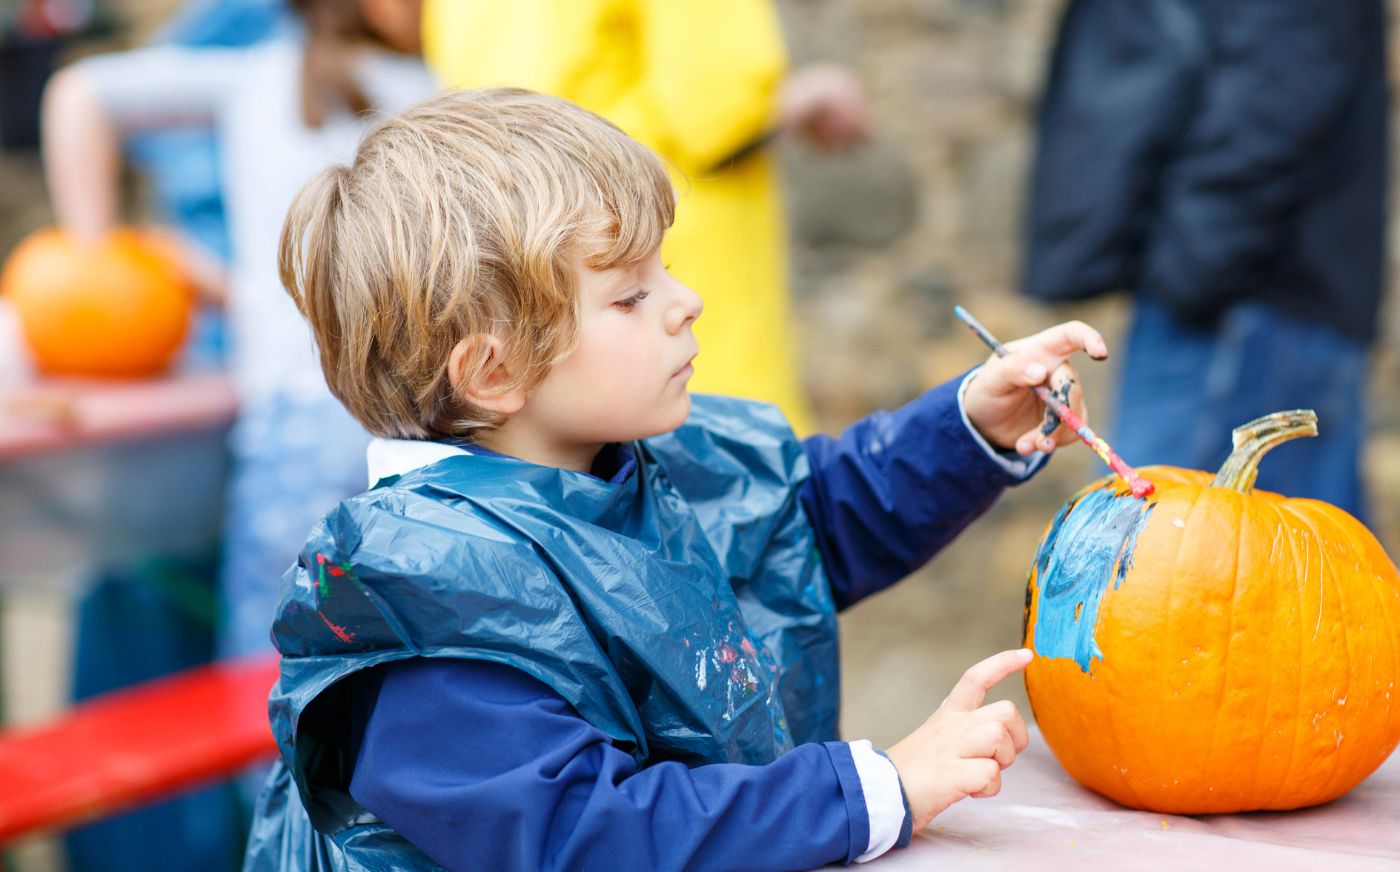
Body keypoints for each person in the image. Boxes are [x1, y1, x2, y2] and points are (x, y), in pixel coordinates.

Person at [242, 88, 1111, 871]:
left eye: (665, 268)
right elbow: (587, 835)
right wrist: (874, 791)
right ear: (494, 373)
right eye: (628, 296)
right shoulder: (422, 607)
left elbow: (802, 525)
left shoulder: (630, 461)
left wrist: (965, 427)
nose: (685, 299)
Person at [41, 0, 437, 664]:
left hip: (299, 426)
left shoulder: (256, 73)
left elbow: (79, 93)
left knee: (276, 658)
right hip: (406, 420)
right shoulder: (435, 93)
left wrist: (99, 252)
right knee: (390, 660)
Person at [421, 0, 870, 434]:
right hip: (658, 239)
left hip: (519, 247)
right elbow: (717, 107)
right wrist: (807, 94)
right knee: (729, 455)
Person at [1020, 0, 1387, 521]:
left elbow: (1280, 82)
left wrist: (1193, 268)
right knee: (1320, 584)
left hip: (1241, 307)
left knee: (1139, 557)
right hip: (1232, 296)